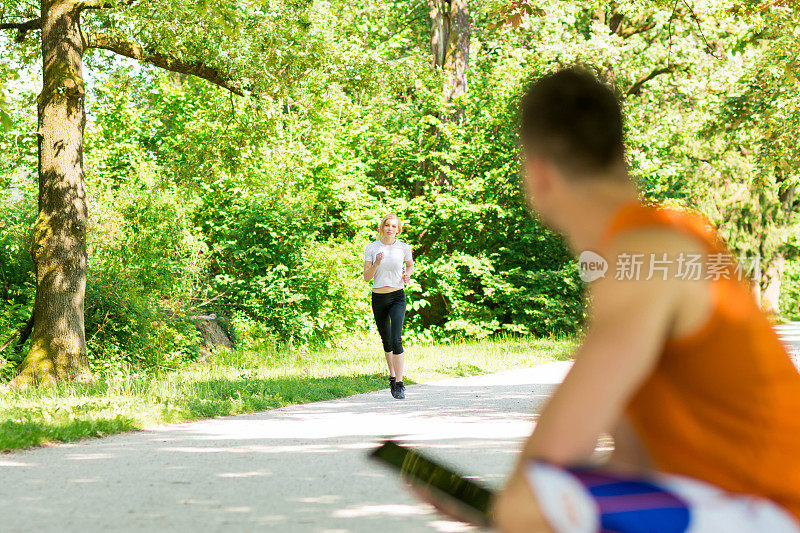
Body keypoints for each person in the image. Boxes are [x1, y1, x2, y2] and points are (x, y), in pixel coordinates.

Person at [409, 68, 800, 532]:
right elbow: (635, 461)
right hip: (738, 504)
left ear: (538, 173)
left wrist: (510, 510)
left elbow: (550, 462)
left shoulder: (644, 254)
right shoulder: (666, 240)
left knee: (531, 505)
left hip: (774, 511)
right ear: (618, 152)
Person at [364, 213, 414, 399]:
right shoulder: (372, 247)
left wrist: (408, 274)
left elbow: (410, 265)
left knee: (396, 339)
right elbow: (367, 277)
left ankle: (400, 383)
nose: (390, 229)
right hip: (379, 297)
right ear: (382, 227)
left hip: (397, 296)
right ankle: (392, 377)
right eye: (387, 225)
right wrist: (376, 262)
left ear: (398, 230)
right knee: (386, 341)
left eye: (394, 226)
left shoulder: (403, 248)